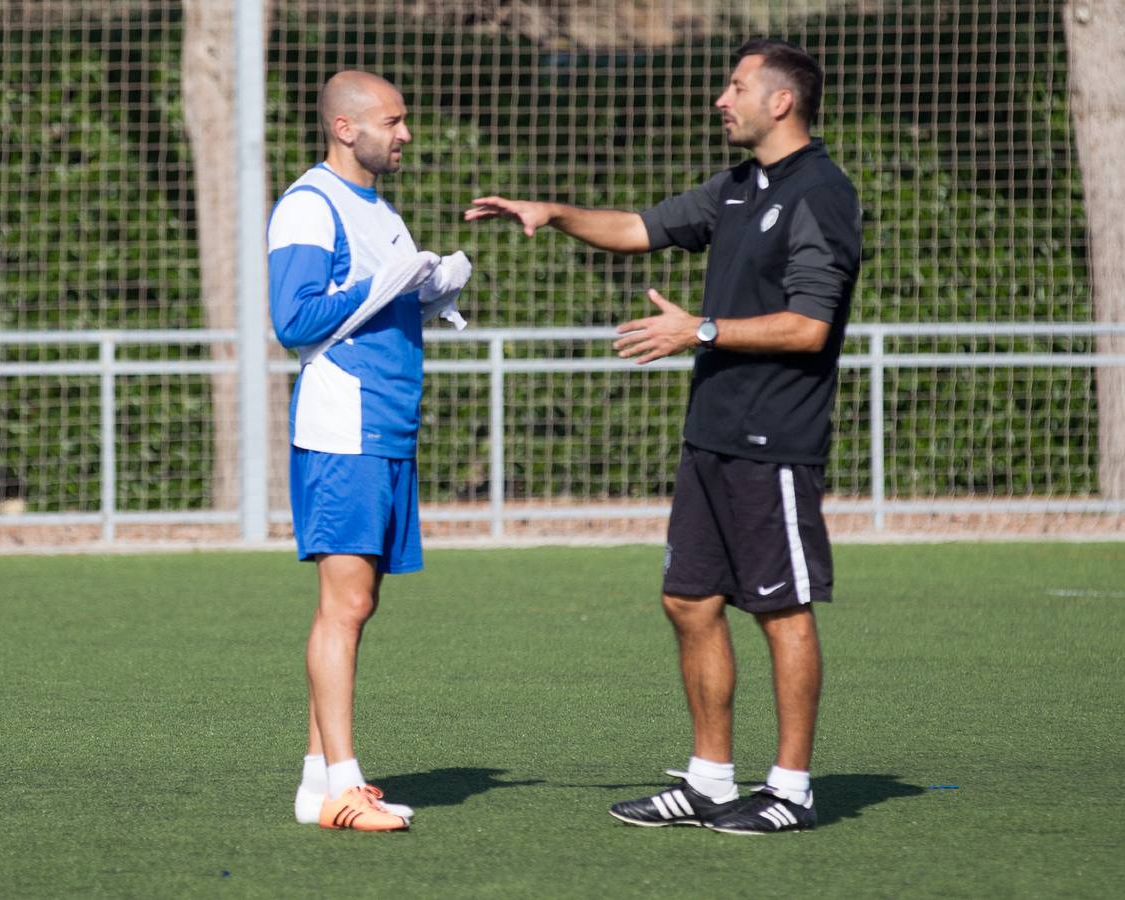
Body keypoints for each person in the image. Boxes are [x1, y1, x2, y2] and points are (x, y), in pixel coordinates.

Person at [465, 38, 860, 834]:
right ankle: (710, 781)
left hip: (772, 441)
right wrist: (555, 214)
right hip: (710, 435)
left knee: (780, 610)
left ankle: (789, 789)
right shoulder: (738, 186)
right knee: (686, 601)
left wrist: (699, 329)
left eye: (737, 85)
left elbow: (810, 327)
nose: (723, 97)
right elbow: (642, 226)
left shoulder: (820, 192)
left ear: (779, 101)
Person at [268, 70, 472, 832]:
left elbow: (377, 298)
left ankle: (317, 784)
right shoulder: (308, 205)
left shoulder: (378, 211)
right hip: (341, 427)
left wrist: (431, 290)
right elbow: (292, 320)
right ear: (346, 128)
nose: (405, 133)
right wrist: (381, 284)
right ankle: (343, 789)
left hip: (387, 425)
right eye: (393, 121)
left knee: (360, 604)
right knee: (343, 605)